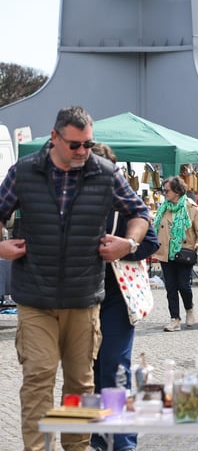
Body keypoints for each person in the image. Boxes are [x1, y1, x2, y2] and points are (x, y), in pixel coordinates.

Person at [0, 106, 151, 451]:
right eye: (75, 145)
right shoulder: (23, 172)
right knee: (37, 379)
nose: (82, 151)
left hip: (84, 299)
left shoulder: (106, 172)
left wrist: (128, 242)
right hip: (35, 298)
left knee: (80, 387)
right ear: (54, 138)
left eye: (88, 144)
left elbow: (139, 213)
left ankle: (77, 448)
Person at [90, 143, 160, 451]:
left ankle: (122, 441)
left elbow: (151, 243)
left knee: (114, 365)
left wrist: (126, 245)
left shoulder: (124, 204)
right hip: (78, 296)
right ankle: (94, 437)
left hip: (116, 296)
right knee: (87, 368)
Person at [154, 175, 198, 332]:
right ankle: (174, 319)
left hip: (185, 251)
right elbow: (155, 228)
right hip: (165, 252)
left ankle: (189, 308)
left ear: (177, 191)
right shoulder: (163, 208)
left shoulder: (191, 207)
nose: (165, 193)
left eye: (167, 191)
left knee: (184, 286)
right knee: (171, 287)